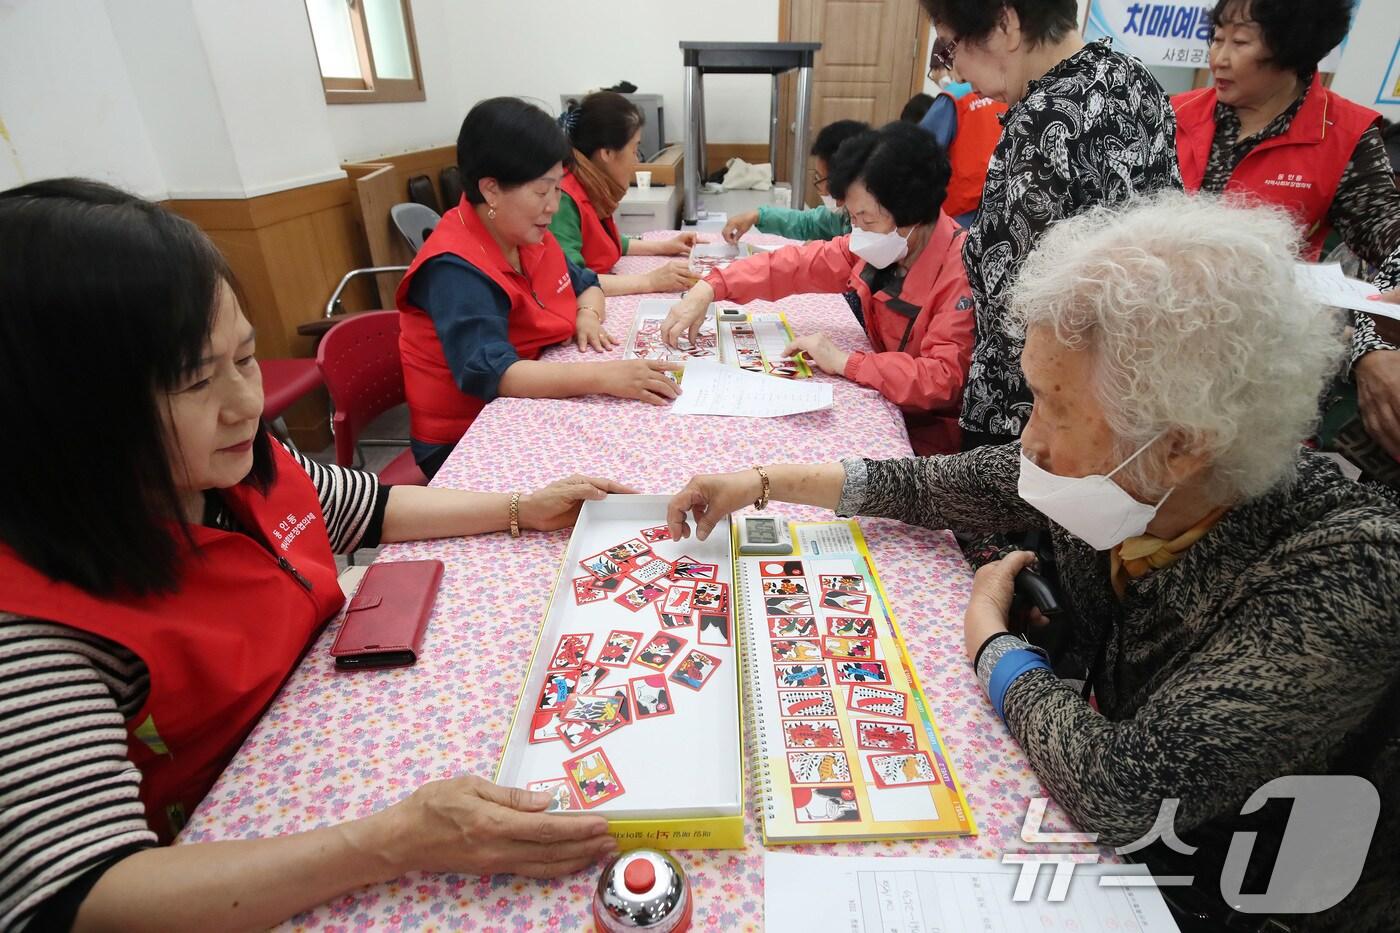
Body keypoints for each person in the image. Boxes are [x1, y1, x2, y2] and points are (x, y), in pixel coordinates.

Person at [665, 193, 1399, 932]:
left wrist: (993, 642)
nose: (1031, 441)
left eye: (1054, 405)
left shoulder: (1350, 573)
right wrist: (760, 484)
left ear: (1181, 443)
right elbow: (941, 482)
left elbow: (1123, 788)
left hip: (1250, 896)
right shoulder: (1125, 474)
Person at [0, 179, 628, 931]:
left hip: (324, 741)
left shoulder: (225, 462)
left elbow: (368, 506)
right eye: (197, 380)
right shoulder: (30, 626)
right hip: (230, 859)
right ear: (66, 414)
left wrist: (523, 507)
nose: (246, 404)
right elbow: (83, 895)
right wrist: (391, 842)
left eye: (245, 357)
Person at [921, 0, 1181, 448]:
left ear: (1006, 23)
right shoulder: (1138, 81)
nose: (958, 72)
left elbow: (1011, 299)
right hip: (1121, 397)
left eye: (952, 46)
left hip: (1032, 415)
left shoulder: (1042, 117)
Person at [398, 98, 679, 478]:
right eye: (542, 191)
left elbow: (588, 283)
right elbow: (499, 375)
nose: (552, 206)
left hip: (523, 405)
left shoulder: (524, 233)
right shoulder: (454, 268)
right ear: (491, 189)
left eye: (558, 190)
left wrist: (588, 316)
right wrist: (605, 376)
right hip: (465, 438)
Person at [1171, 0, 1400, 462]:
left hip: (1255, 365)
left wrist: (1373, 339)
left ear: (1292, 49)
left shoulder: (1344, 135)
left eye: (1240, 42)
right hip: (1159, 341)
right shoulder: (1173, 114)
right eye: (1216, 38)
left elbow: (1391, 238)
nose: (1219, 57)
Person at [663, 123, 975, 454]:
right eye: (852, 219)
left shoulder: (959, 270)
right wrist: (712, 286)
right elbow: (797, 265)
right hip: (885, 398)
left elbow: (942, 379)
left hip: (929, 438)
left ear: (912, 214)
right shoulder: (883, 244)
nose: (857, 232)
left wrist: (845, 361)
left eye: (866, 221)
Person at [551, 92, 699, 296]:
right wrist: (649, 281)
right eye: (634, 148)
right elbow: (569, 279)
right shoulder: (563, 199)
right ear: (607, 154)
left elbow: (603, 241)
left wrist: (664, 246)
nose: (636, 160)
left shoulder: (591, 184)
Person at [720, 120, 868, 244]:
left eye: (820, 178)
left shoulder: (870, 226)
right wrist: (758, 216)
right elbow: (808, 223)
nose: (822, 189)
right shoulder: (842, 215)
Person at [918, 52, 1009, 225]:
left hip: (961, 210)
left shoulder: (955, 96)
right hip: (1000, 204)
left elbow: (918, 152)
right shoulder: (1005, 90)